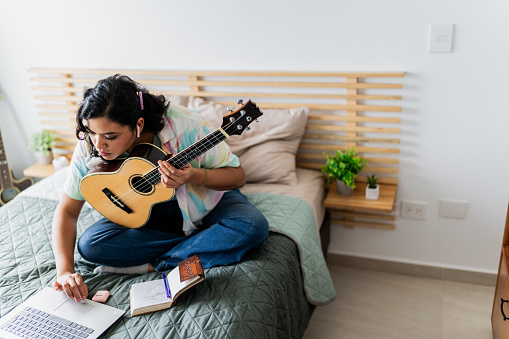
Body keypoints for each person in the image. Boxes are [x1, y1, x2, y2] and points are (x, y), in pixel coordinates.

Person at [51, 74, 269, 302]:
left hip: (208, 203)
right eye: (91, 132)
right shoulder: (91, 142)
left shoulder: (186, 125)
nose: (98, 144)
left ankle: (155, 265)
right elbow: (67, 211)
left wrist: (193, 175)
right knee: (90, 246)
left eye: (110, 136)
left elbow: (237, 176)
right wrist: (64, 271)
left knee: (252, 227)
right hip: (144, 213)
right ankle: (203, 243)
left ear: (139, 125)